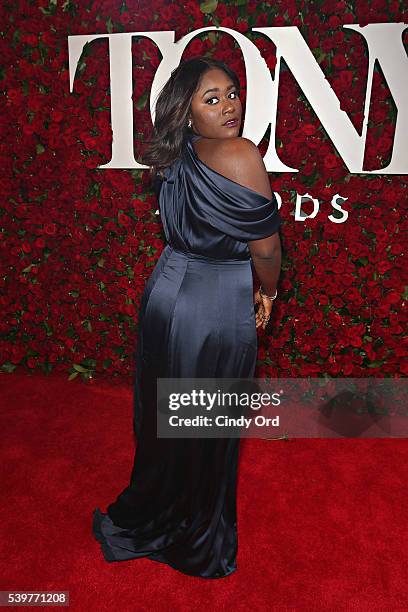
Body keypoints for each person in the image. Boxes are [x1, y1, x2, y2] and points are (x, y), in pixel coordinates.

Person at [92, 56, 282, 579]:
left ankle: (154, 511)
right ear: (187, 110)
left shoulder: (176, 154)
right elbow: (266, 251)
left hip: (165, 293)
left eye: (232, 92)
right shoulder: (240, 154)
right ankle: (194, 535)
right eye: (212, 98)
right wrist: (269, 290)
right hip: (213, 303)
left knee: (167, 421)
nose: (228, 105)